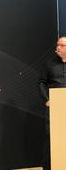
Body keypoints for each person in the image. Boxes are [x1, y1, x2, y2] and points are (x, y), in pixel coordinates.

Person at [38, 36, 66, 170]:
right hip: (54, 107)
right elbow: (41, 82)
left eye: (61, 45)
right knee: (51, 138)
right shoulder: (49, 64)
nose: (58, 48)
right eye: (57, 45)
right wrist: (46, 99)